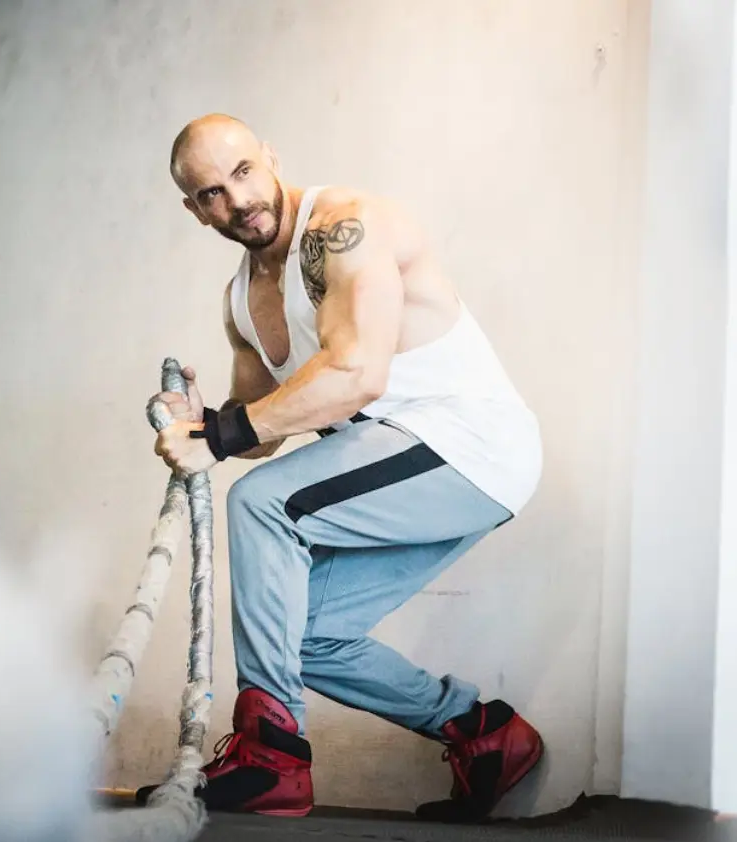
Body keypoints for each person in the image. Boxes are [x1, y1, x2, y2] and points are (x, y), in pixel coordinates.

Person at [141, 114, 544, 823]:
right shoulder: (241, 300)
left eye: (241, 173)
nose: (236, 202)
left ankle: (270, 757)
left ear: (269, 157)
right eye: (210, 194)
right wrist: (208, 420)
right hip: (419, 466)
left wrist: (226, 435)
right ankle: (482, 735)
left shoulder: (343, 228)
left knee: (259, 503)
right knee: (298, 635)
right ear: (193, 210)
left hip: (467, 443)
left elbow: (355, 373)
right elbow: (262, 424)